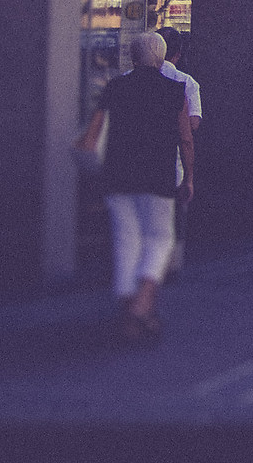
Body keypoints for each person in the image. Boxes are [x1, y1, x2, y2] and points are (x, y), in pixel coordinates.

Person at [78, 29, 193, 343]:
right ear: (161, 56)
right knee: (160, 238)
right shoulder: (175, 90)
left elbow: (92, 132)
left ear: (133, 56)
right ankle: (143, 301)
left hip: (118, 174)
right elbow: (185, 138)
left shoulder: (115, 86)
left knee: (126, 242)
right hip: (158, 176)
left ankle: (131, 314)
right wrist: (189, 177)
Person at [157, 28, 202, 278]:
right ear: (178, 53)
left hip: (132, 164)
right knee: (174, 215)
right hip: (171, 161)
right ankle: (171, 261)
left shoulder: (128, 77)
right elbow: (192, 126)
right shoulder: (186, 82)